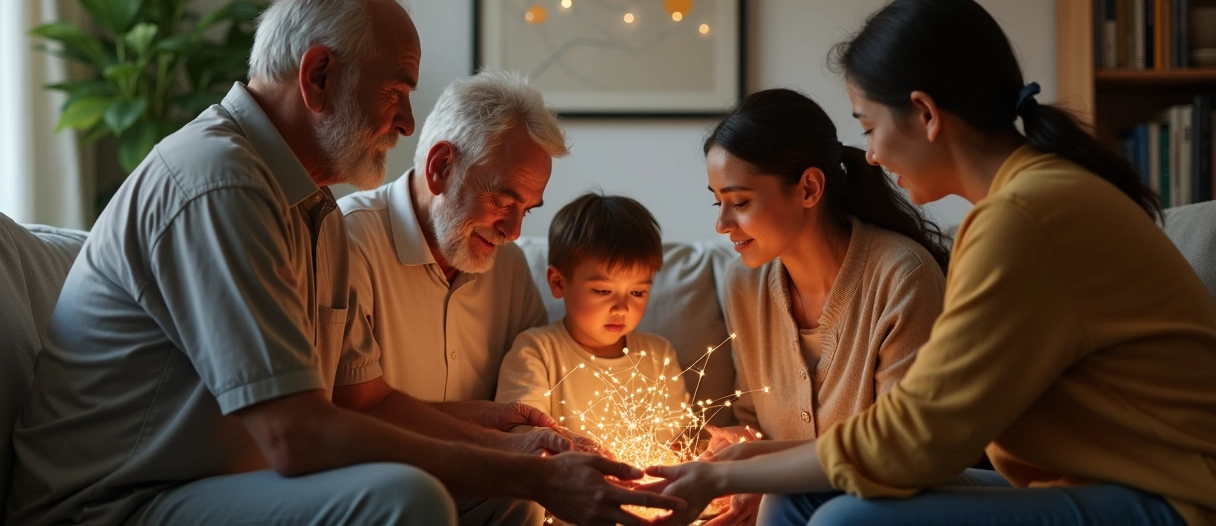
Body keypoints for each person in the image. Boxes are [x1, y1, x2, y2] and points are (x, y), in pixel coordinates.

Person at [8, 0, 684, 526]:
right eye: (397, 91)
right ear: (319, 76)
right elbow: (297, 435)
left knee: (508, 491)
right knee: (406, 497)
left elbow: (365, 401)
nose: (408, 123)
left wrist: (522, 449)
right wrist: (522, 469)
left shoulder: (312, 210)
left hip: (201, 487)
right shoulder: (219, 184)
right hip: (110, 505)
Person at [644, 0, 1216, 526]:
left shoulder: (1024, 218)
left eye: (869, 127)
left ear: (925, 113)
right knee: (799, 497)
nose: (867, 155)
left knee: (847, 519)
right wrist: (749, 463)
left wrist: (720, 475)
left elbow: (920, 436)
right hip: (1087, 484)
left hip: (1170, 497)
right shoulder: (1020, 204)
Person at [697, 88, 949, 525]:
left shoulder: (901, 276)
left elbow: (899, 453)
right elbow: (753, 417)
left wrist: (762, 469)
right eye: (716, 201)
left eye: (739, 202)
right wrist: (742, 446)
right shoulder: (743, 284)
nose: (721, 224)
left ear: (809, 188)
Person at [338, 70, 559, 408]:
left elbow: (534, 398)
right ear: (441, 167)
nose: (513, 232)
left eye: (526, 210)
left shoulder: (511, 268)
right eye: (502, 201)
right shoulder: (347, 242)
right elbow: (355, 413)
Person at [495, 193, 688, 453]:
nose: (622, 308)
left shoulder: (658, 355)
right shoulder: (536, 351)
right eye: (603, 291)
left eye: (637, 292)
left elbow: (678, 438)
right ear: (558, 282)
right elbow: (522, 435)